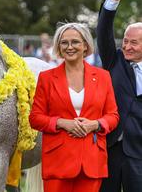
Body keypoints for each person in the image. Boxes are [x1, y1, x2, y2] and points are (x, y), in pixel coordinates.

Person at [29, 23, 119, 192]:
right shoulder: (46, 78)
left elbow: (113, 116)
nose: (70, 47)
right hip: (57, 161)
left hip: (92, 162)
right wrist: (62, 123)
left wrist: (95, 124)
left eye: (75, 42)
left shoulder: (103, 77)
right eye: (64, 43)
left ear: (85, 45)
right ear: (58, 46)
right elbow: (35, 118)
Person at [97, 0, 142, 192]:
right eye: (125, 40)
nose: (127, 46)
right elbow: (104, 30)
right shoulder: (114, 60)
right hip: (111, 150)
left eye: (134, 42)